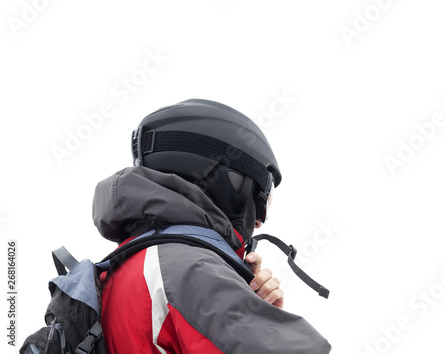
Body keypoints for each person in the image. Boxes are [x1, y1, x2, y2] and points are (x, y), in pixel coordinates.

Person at [93, 99, 331, 353]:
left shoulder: (122, 269)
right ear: (229, 180)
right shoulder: (190, 269)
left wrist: (264, 319)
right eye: (260, 201)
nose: (259, 221)